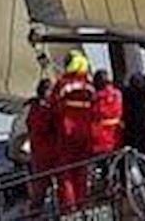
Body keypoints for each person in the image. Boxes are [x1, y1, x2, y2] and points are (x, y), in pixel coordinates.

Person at [50, 50, 96, 209]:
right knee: (82, 172)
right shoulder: (89, 85)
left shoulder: (63, 83)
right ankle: (82, 205)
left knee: (65, 174)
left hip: (67, 133)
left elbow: (53, 107)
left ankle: (69, 208)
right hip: (86, 133)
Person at [25, 78, 55, 216]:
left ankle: (36, 211)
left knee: (42, 185)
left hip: (41, 153)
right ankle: (35, 213)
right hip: (45, 153)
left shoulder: (35, 109)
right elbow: (44, 127)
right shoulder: (42, 111)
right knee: (41, 186)